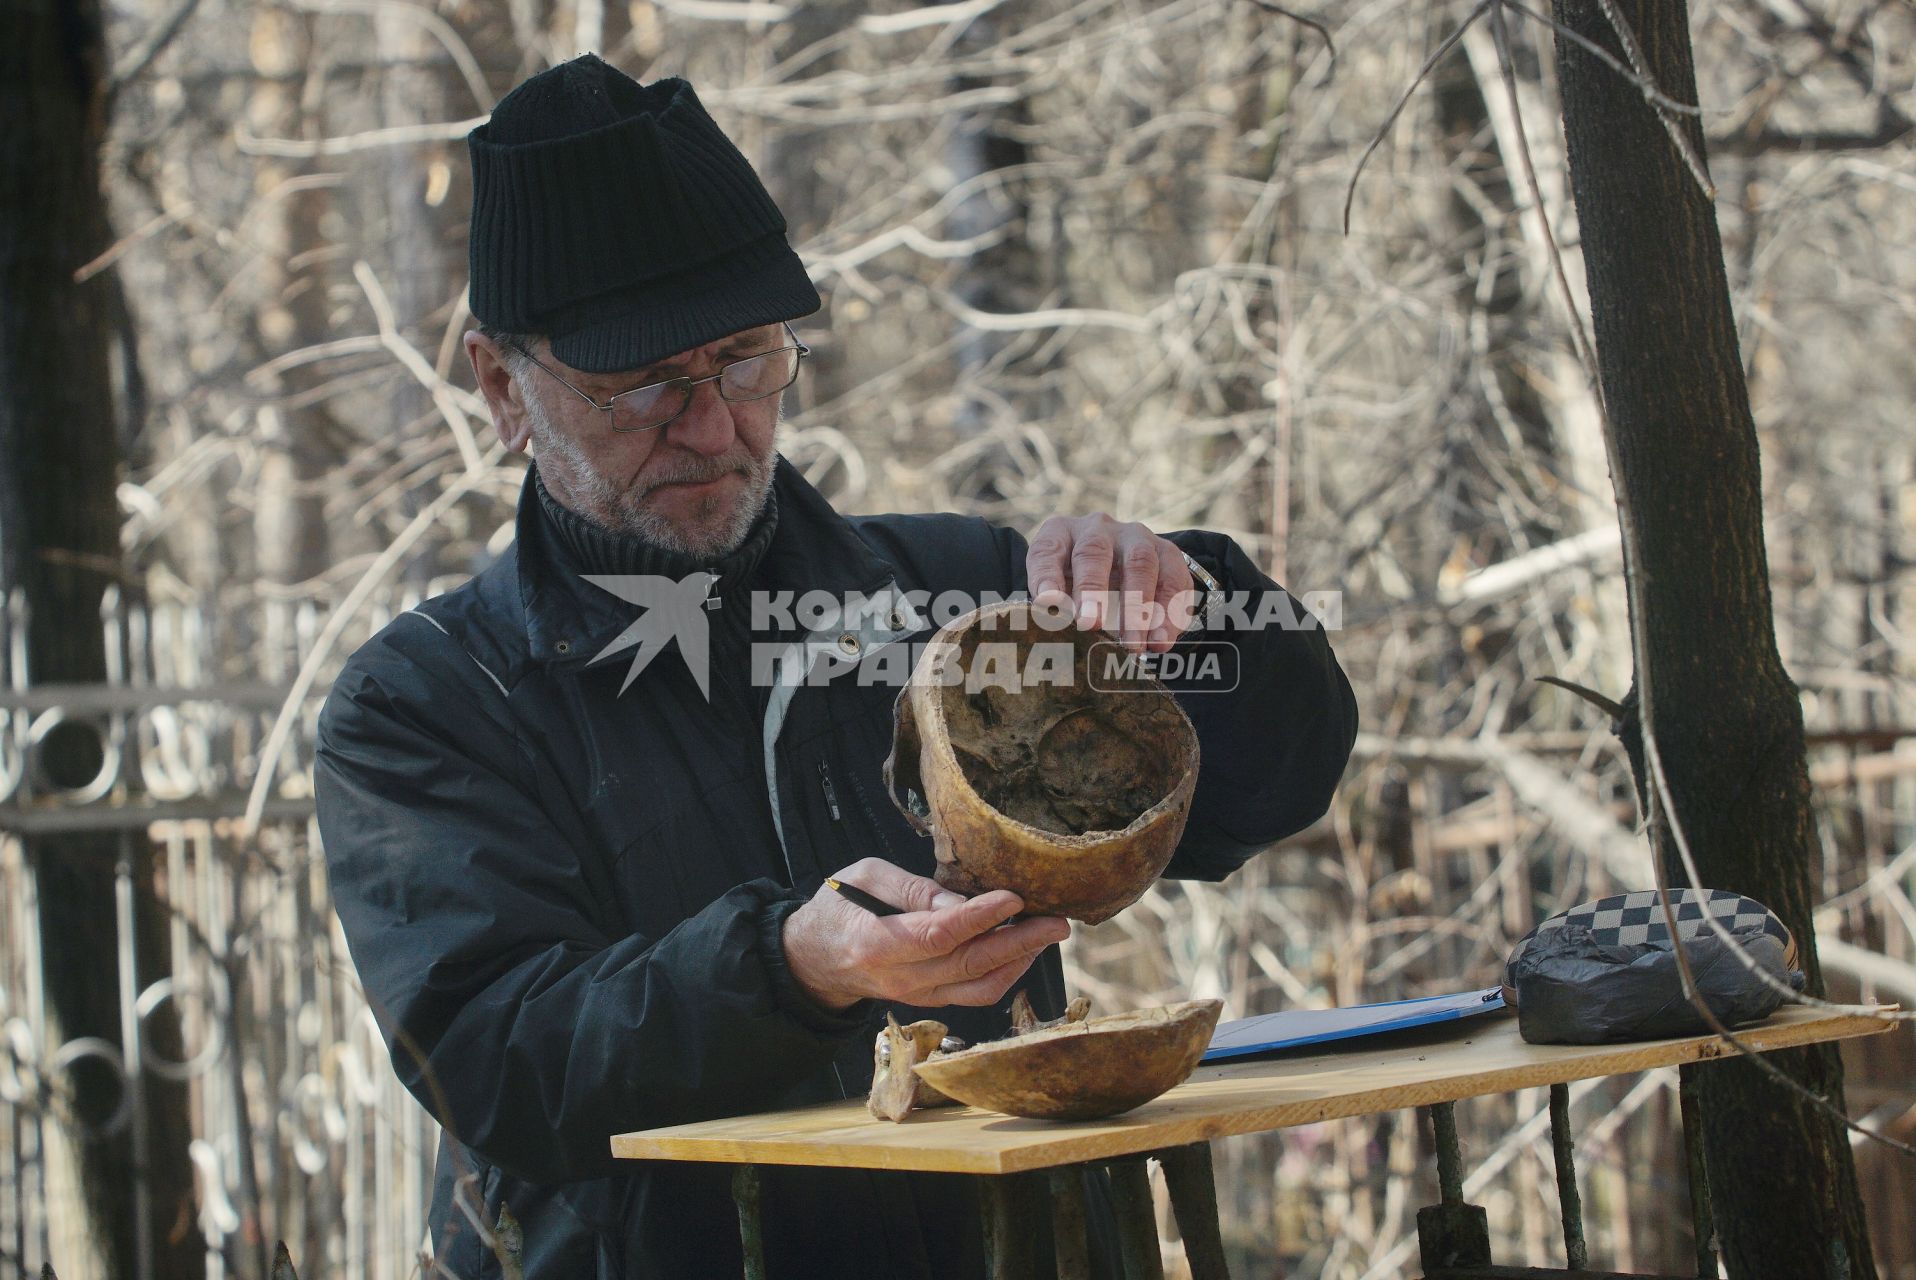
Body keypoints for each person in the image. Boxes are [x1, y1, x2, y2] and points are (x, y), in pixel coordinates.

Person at [315, 54, 1357, 1279]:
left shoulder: (957, 595)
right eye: (642, 383)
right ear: (502, 385)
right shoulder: (427, 703)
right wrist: (792, 967)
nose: (712, 424)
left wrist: (1193, 605)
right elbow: (497, 1058)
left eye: (746, 358)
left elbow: (1263, 783)